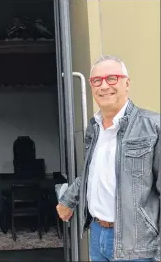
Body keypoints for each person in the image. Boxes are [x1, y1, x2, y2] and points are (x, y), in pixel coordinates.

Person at [56, 55, 160, 261]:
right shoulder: (94, 128)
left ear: (127, 83)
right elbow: (90, 173)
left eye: (112, 78)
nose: (104, 86)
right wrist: (68, 200)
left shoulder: (153, 127)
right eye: (97, 81)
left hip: (136, 246)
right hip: (97, 234)